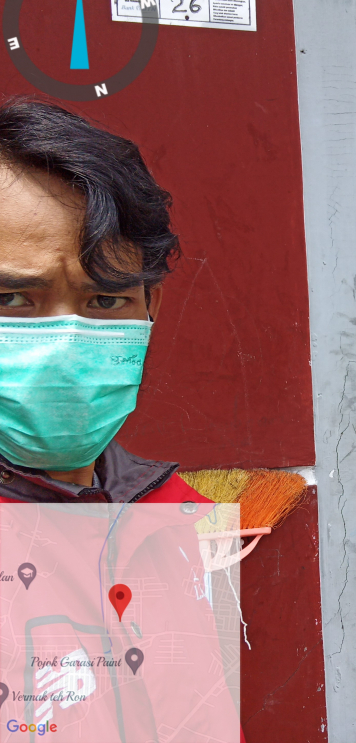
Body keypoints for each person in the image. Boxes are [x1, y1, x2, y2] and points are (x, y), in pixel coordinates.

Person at [0, 98, 243, 741]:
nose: (63, 345)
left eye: (105, 299)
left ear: (149, 307)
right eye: (12, 298)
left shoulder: (172, 514)